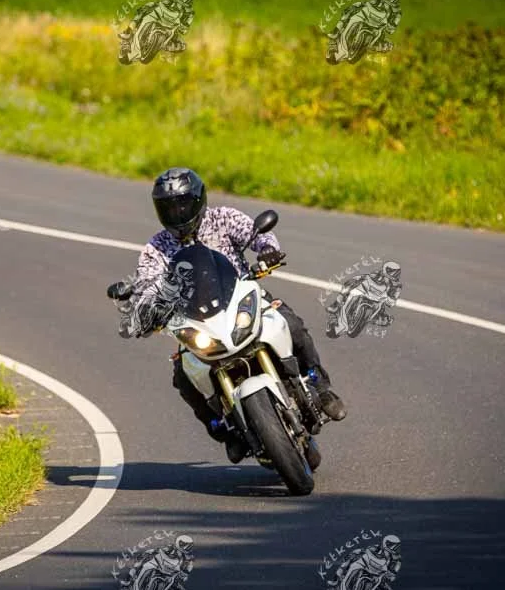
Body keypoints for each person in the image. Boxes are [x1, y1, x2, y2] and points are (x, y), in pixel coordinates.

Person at [111, 167, 346, 464]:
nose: (178, 212)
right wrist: (145, 307)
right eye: (169, 207)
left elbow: (256, 234)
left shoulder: (223, 218)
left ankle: (320, 387)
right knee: (183, 375)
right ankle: (223, 429)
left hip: (242, 298)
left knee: (291, 323)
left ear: (198, 200)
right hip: (195, 321)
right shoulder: (156, 248)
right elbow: (147, 282)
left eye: (183, 204)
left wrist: (268, 250)